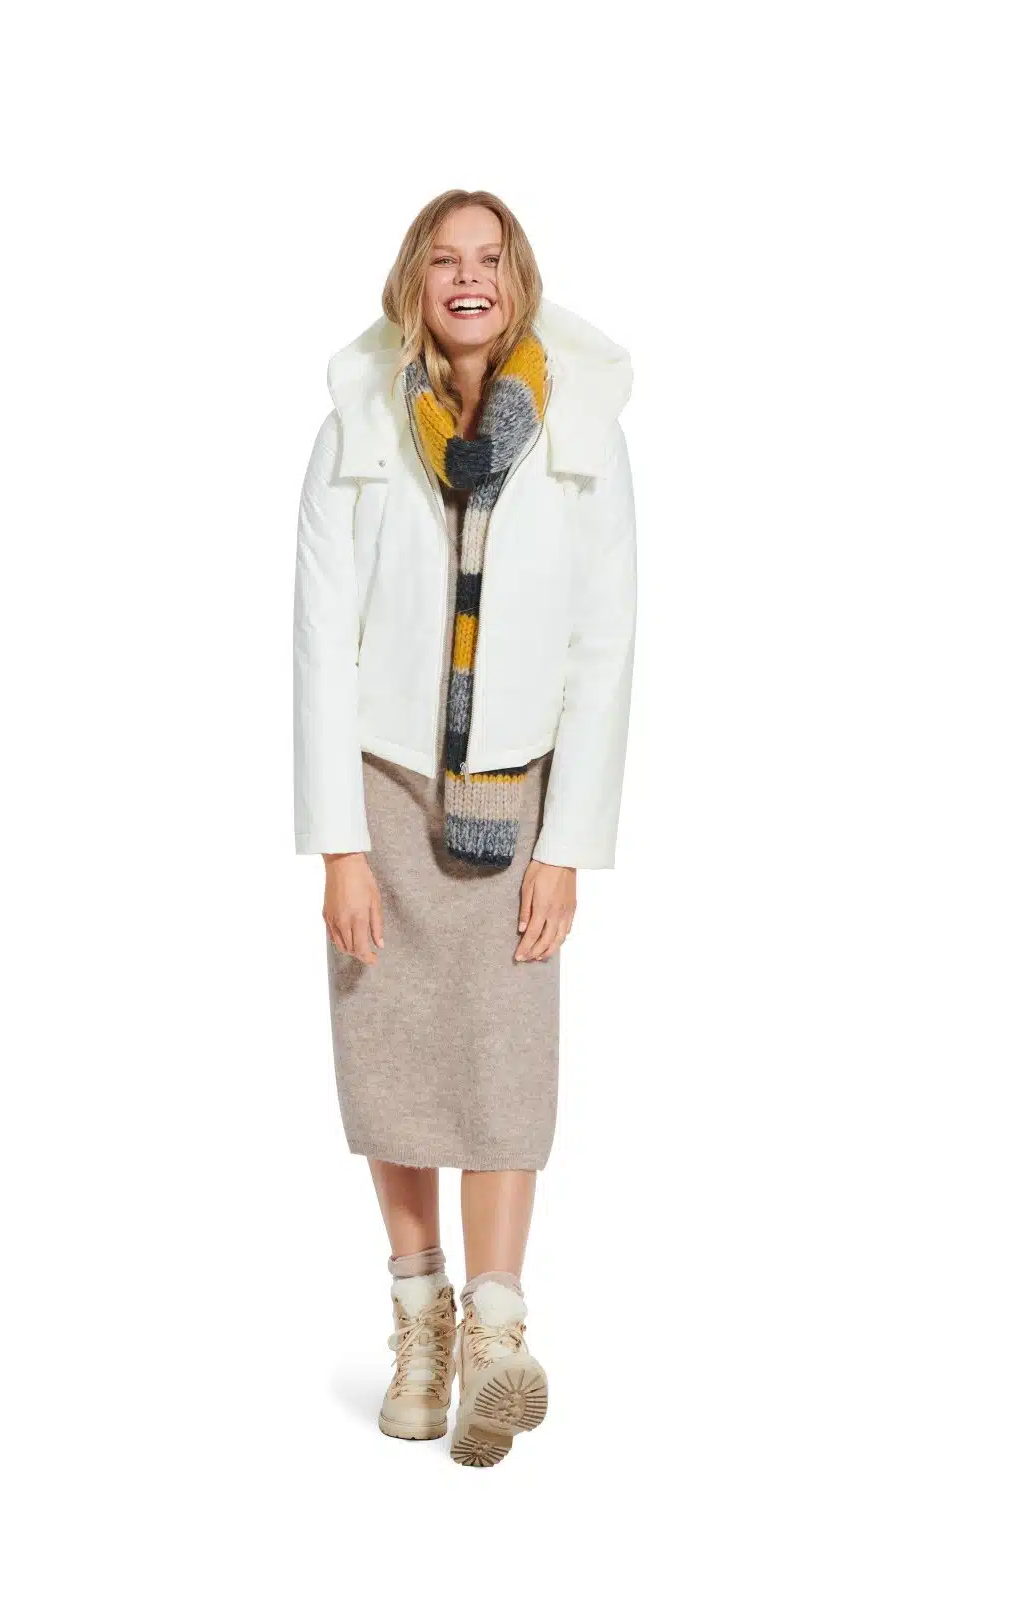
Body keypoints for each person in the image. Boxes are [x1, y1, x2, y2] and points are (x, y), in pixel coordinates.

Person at [291, 189, 637, 1466]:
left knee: (502, 1059)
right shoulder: (358, 420)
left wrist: (567, 844)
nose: (468, 277)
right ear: (415, 281)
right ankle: (420, 1317)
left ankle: (495, 1337)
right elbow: (320, 641)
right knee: (388, 1054)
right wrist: (337, 845)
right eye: (445, 259)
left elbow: (605, 642)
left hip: (513, 786)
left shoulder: (581, 423)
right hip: (383, 781)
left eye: (488, 258)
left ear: (518, 278)